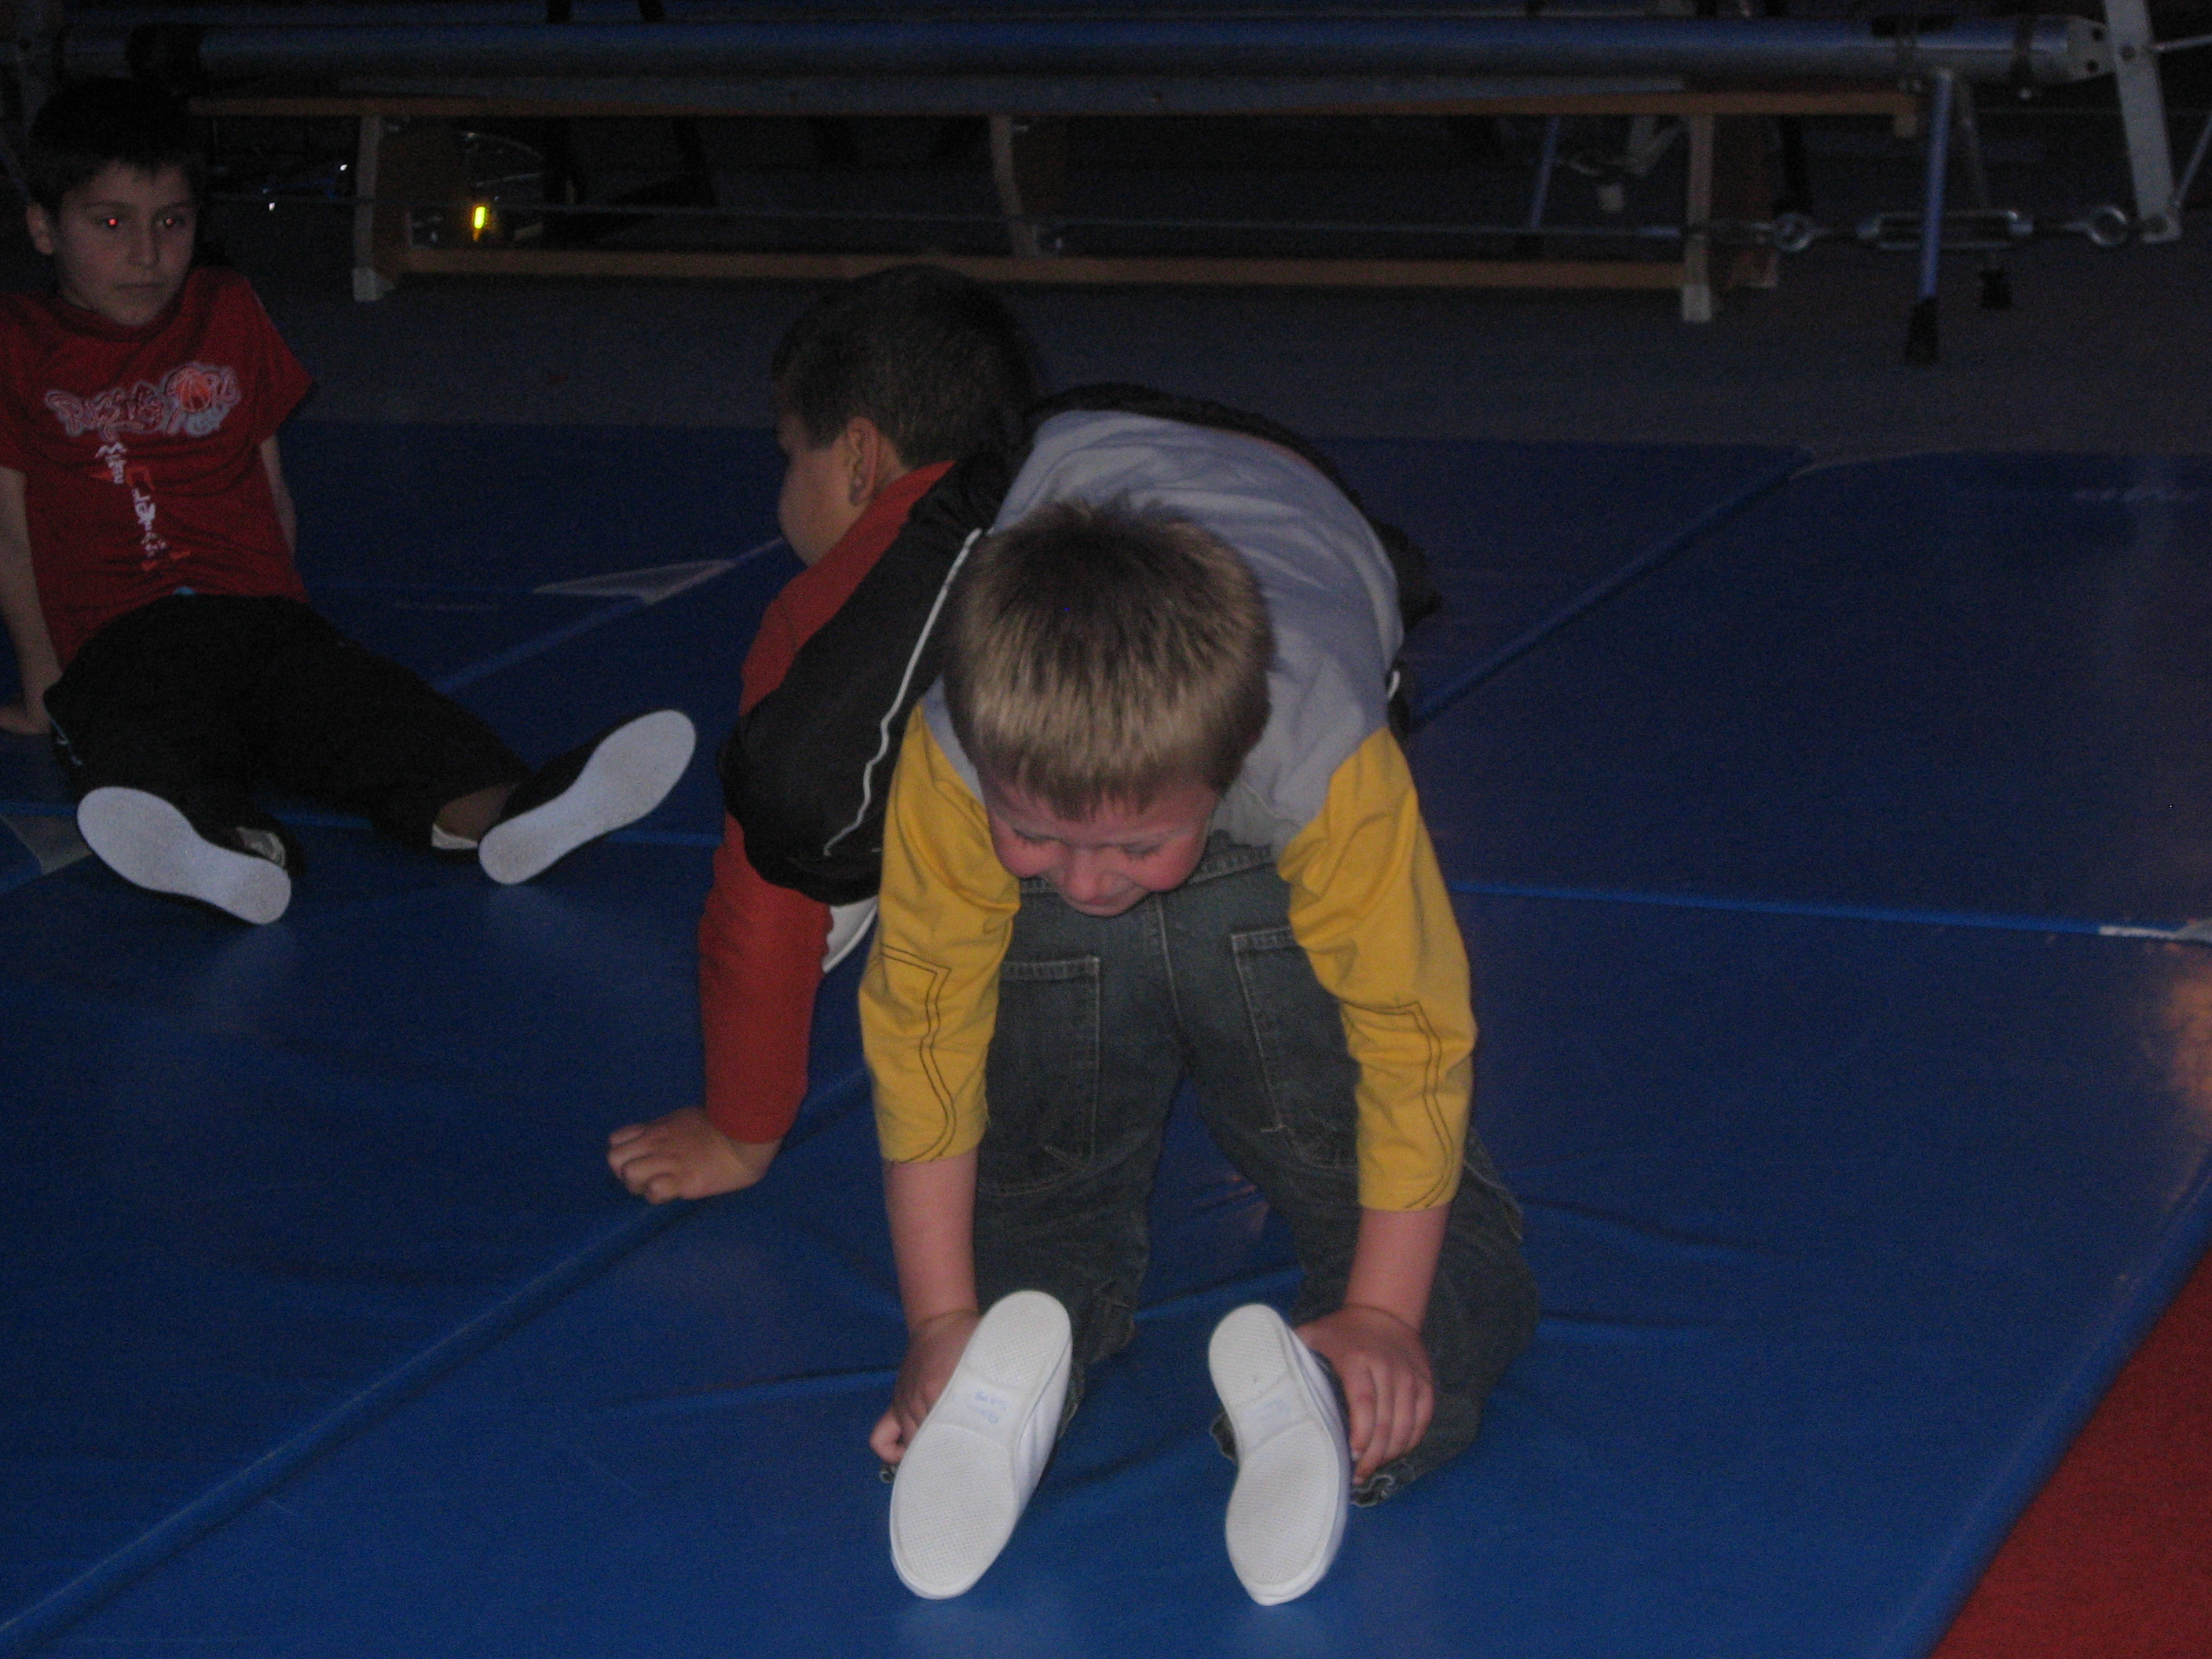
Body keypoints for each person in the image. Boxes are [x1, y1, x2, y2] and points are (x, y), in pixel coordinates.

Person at [861, 412, 1540, 1604]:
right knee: (1392, 1222)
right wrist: (1386, 1309)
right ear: (988, 747)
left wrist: (939, 1310)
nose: (1089, 881)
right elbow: (1411, 1035)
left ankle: (1069, 1325)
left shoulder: (1315, 750)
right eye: (1039, 833)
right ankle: (1309, 1387)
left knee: (1048, 1196)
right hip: (1241, 868)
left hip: (1251, 877)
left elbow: (928, 1030)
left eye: (1132, 845)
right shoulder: (967, 747)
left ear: (1222, 767)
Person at [0, 78, 694, 925]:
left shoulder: (226, 307)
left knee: (371, 711)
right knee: (141, 740)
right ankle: (226, 847)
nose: (147, 254)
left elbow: (268, 481)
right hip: (118, 635)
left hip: (256, 613)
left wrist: (286, 614)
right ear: (44, 227)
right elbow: (11, 531)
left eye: (171, 222)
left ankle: (501, 811)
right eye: (111, 224)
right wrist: (45, 683)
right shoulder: (16, 344)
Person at [606, 264, 1037, 1201]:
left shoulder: (829, 611)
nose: (781, 490)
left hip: (1046, 949)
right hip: (1224, 875)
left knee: (821, 835)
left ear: (856, 457)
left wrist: (739, 1130)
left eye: (788, 455)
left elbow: (765, 891)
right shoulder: (1072, 506)